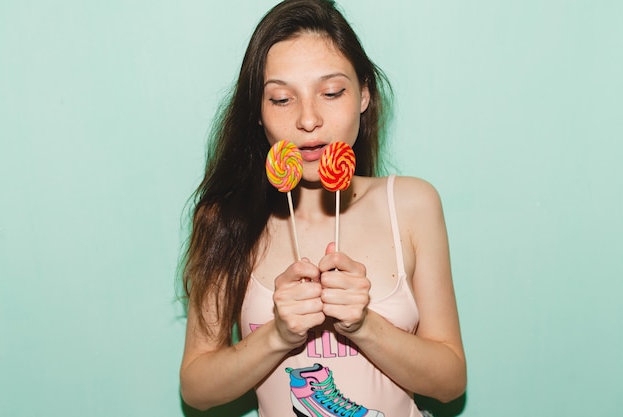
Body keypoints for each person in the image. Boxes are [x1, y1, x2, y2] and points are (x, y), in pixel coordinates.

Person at [179, 1, 466, 416]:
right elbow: (197, 388)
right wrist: (277, 334)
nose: (309, 119)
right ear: (258, 112)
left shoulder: (412, 204)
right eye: (281, 99)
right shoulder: (226, 218)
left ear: (364, 93)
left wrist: (364, 325)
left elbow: (450, 383)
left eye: (331, 92)